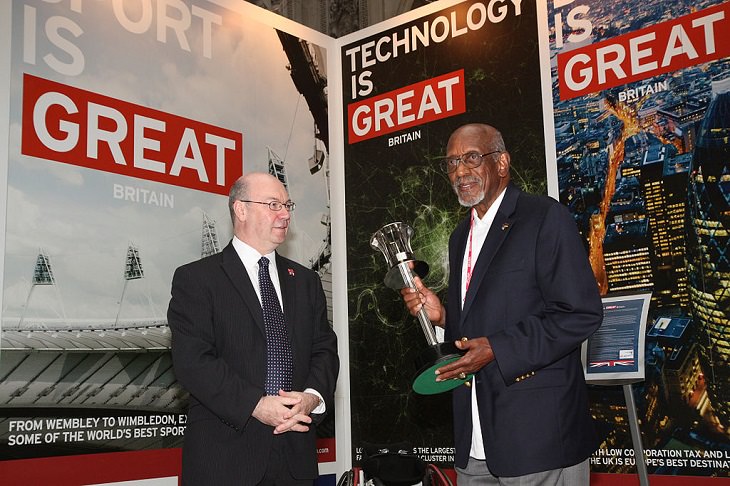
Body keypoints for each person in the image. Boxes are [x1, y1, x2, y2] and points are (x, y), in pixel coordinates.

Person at [401, 124, 603, 485]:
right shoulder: (459, 236)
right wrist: (444, 317)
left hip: (538, 440)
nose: (460, 171)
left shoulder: (544, 218)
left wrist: (498, 349)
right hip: (475, 442)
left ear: (502, 162)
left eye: (472, 158)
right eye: (451, 163)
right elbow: (480, 323)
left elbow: (580, 313)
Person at [168, 172, 339, 485]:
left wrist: (312, 397)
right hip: (224, 461)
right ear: (241, 209)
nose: (285, 214)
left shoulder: (306, 282)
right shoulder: (197, 279)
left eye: (288, 205)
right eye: (273, 205)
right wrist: (256, 405)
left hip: (294, 459)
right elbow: (193, 361)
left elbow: (324, 349)